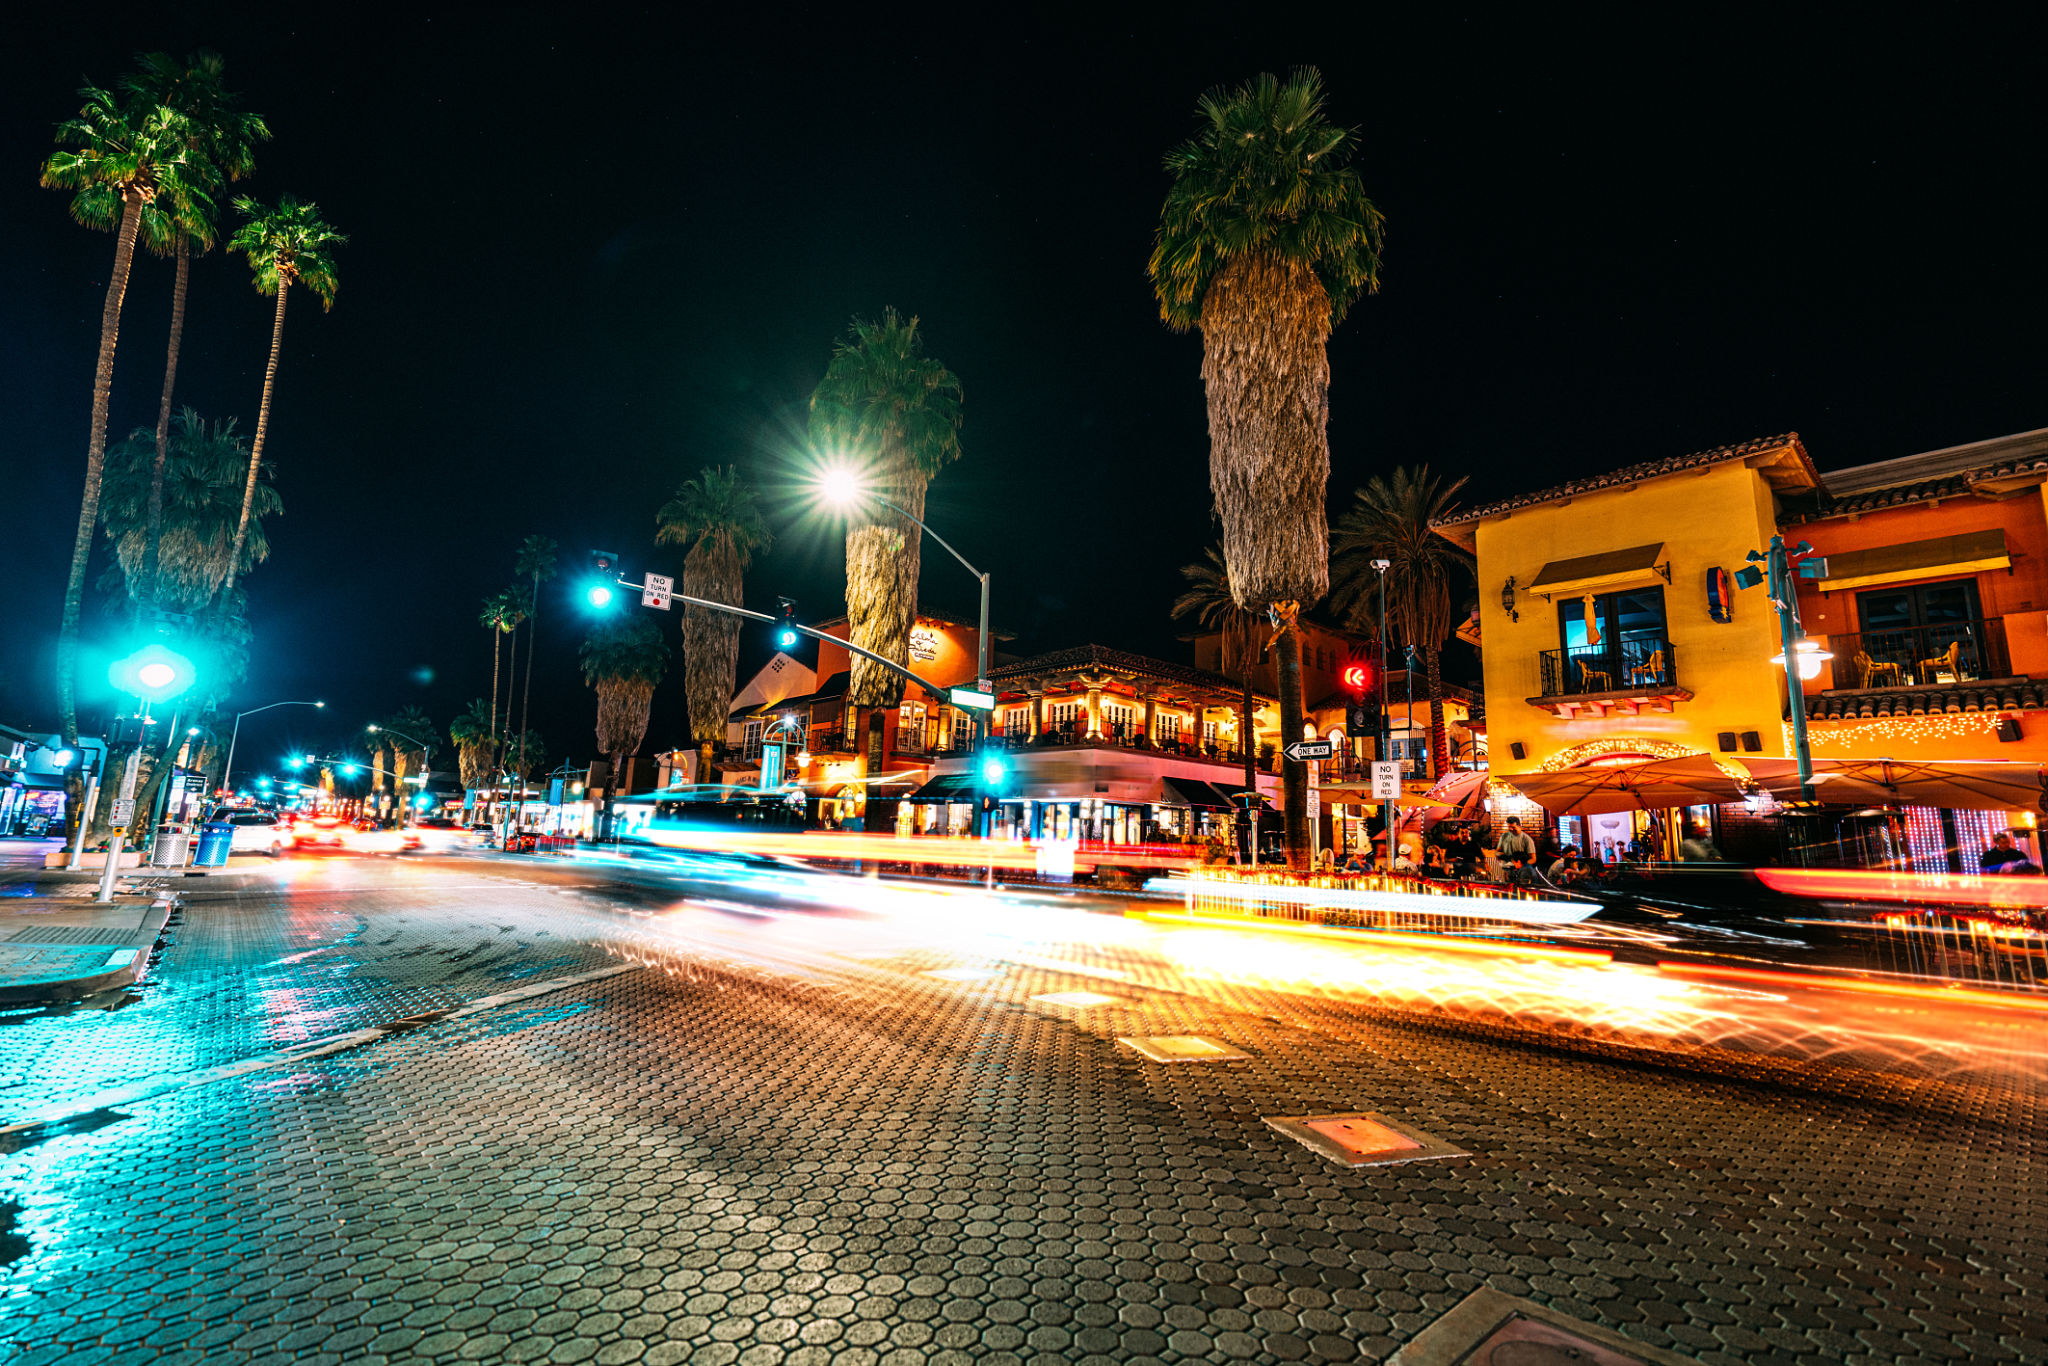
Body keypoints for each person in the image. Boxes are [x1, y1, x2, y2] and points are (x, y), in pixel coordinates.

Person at [1497, 817, 1537, 885]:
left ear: (1519, 826)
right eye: (1509, 827)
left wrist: (1521, 864)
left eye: (1513, 827)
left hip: (1523, 869)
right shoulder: (1504, 837)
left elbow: (1533, 859)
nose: (1511, 829)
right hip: (1508, 869)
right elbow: (1497, 852)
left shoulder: (1526, 839)